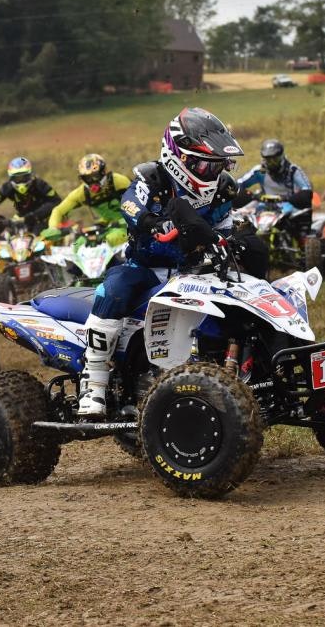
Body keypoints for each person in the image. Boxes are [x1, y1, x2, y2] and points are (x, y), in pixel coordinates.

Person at [78, 107, 244, 418]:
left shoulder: (223, 190)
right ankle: (94, 382)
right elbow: (129, 204)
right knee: (112, 290)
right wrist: (151, 222)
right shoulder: (152, 176)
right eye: (206, 165)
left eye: (219, 165)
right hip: (143, 268)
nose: (213, 173)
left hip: (193, 270)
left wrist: (233, 240)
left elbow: (224, 228)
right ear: (180, 157)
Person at [47, 154, 133, 245]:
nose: (92, 181)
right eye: (87, 178)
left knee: (111, 239)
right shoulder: (82, 193)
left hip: (129, 224)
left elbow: (140, 202)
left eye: (95, 176)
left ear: (103, 172)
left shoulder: (119, 181)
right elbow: (59, 211)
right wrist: (53, 229)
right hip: (106, 227)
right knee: (80, 243)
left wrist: (123, 221)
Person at [0, 157, 61, 233]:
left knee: (37, 231)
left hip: (44, 216)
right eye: (17, 178)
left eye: (24, 177)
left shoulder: (39, 184)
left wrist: (34, 216)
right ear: (11, 178)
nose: (21, 181)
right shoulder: (7, 187)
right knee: (8, 232)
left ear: (30, 174)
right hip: (23, 217)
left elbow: (56, 201)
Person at [236, 139, 315, 211]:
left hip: (289, 206)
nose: (272, 164)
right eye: (268, 161)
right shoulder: (259, 171)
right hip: (264, 207)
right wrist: (251, 196)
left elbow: (307, 189)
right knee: (243, 213)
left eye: (275, 160)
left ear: (282, 157)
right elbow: (239, 183)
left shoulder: (293, 170)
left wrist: (292, 198)